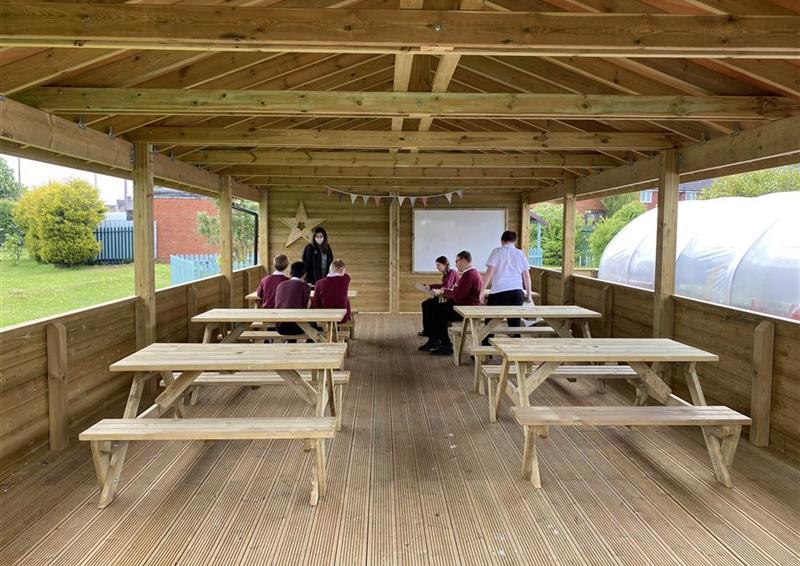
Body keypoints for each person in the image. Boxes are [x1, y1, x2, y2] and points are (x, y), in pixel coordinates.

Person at [419, 250, 483, 356]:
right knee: (432, 308)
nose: (456, 264)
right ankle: (434, 341)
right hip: (463, 304)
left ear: (463, 261)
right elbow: (458, 292)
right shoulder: (469, 273)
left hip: (466, 308)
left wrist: (447, 292)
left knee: (437, 314)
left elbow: (458, 295)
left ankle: (446, 346)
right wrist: (450, 292)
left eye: (456, 261)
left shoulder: (470, 275)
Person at [482, 230, 532, 336]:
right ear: (515, 241)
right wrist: (529, 294)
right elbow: (526, 276)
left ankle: (486, 347)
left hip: (498, 292)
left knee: (489, 323)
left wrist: (481, 291)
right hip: (516, 291)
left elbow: (489, 273)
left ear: (502, 241)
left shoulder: (497, 251)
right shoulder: (520, 253)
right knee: (515, 324)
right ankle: (515, 349)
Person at [418, 256, 458, 337]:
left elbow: (446, 286)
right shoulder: (446, 274)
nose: (437, 267)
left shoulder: (452, 272)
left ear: (445, 264)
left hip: (449, 298)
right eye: (436, 265)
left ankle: (429, 331)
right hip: (445, 296)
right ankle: (427, 330)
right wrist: (430, 286)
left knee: (428, 305)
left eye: (438, 265)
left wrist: (433, 287)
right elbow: (442, 286)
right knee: (425, 304)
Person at [274, 261, 311, 336]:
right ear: (304, 274)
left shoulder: (281, 285)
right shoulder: (305, 286)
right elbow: (305, 308)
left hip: (279, 326)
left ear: (290, 273)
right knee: (314, 326)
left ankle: (291, 343)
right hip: (297, 326)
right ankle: (309, 346)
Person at [311, 258, 351, 323]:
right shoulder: (345, 279)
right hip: (342, 317)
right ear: (341, 270)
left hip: (325, 316)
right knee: (346, 300)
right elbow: (346, 275)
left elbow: (316, 302)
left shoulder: (319, 283)